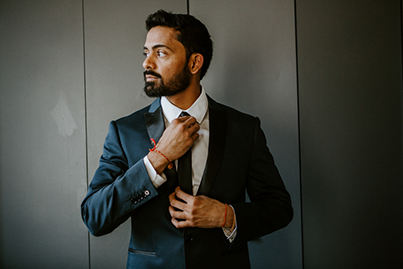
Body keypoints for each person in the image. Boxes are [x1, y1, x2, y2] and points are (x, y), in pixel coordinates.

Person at [81, 9, 293, 269]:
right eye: (146, 53)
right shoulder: (124, 132)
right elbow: (94, 217)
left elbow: (279, 208)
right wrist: (157, 159)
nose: (147, 63)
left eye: (160, 53)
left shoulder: (244, 129)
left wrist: (226, 216)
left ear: (194, 63)